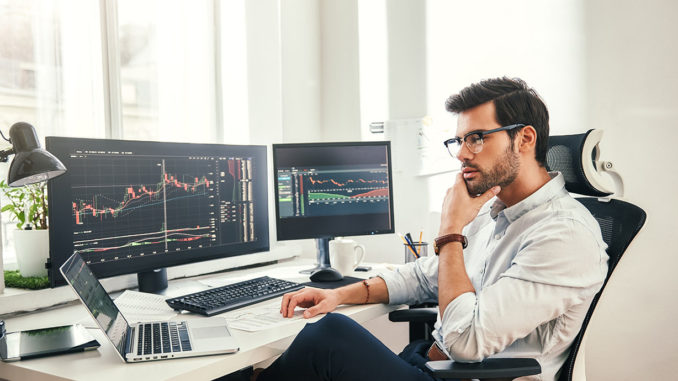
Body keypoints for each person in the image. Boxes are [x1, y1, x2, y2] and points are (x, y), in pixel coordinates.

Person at [253, 77, 608, 381]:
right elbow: (426, 277)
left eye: (478, 138)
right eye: (460, 140)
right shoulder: (495, 211)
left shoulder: (565, 235)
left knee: (327, 339)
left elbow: (465, 341)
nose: (462, 154)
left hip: (463, 373)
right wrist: (339, 295)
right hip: (429, 363)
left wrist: (451, 229)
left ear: (525, 139)